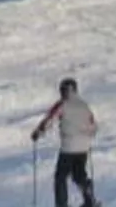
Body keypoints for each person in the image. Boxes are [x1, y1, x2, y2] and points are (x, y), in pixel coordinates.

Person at [32, 78, 99, 207]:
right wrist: (87, 137)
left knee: (60, 177)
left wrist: (38, 133)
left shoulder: (62, 104)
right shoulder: (84, 105)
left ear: (64, 90)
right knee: (78, 174)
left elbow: (49, 120)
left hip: (68, 147)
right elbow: (94, 126)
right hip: (84, 147)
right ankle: (89, 196)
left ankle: (62, 204)